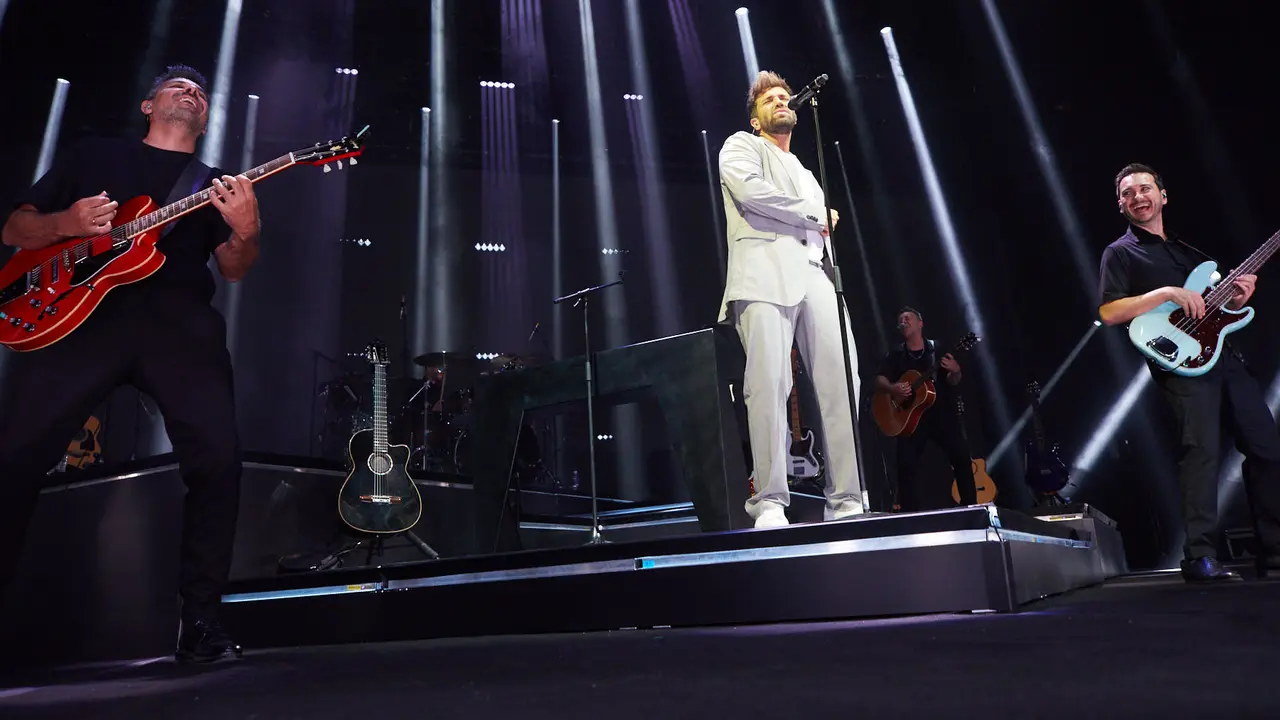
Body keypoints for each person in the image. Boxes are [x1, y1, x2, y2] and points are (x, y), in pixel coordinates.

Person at [0, 65, 260, 659]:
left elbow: (237, 268)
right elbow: (16, 227)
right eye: (177, 86)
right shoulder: (95, 155)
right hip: (80, 321)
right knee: (12, 458)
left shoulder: (219, 183)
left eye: (199, 90)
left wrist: (246, 230)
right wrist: (66, 223)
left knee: (219, 461)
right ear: (148, 105)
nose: (190, 92)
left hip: (179, 323)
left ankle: (199, 627)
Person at [1098, 162, 1280, 583]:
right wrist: (1163, 292)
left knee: (1267, 448)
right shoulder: (1121, 252)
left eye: (1145, 188)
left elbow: (1217, 312)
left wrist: (1236, 300)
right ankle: (1199, 557)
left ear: (1163, 196)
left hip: (1226, 359)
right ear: (1121, 206)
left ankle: (1273, 553)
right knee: (1201, 455)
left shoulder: (1191, 254)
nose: (1138, 196)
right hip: (1182, 363)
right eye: (1129, 193)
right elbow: (1108, 311)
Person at [717, 71, 863, 528]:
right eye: (770, 100)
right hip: (762, 272)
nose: (782, 102)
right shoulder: (740, 145)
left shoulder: (804, 169)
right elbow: (753, 193)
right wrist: (815, 213)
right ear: (757, 119)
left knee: (844, 383)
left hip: (813, 274)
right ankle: (771, 501)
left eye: (785, 97)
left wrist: (821, 224)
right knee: (768, 384)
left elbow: (820, 231)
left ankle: (847, 498)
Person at [874, 307, 977, 511]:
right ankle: (911, 515)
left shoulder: (937, 349)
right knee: (905, 466)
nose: (904, 321)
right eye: (900, 319)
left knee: (961, 458)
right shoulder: (896, 354)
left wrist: (956, 371)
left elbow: (953, 381)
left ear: (920, 323)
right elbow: (879, 379)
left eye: (908, 318)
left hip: (942, 414)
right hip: (910, 418)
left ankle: (971, 508)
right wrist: (893, 388)